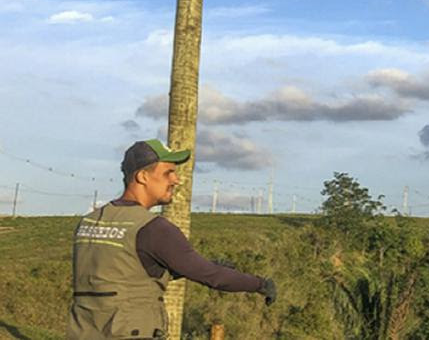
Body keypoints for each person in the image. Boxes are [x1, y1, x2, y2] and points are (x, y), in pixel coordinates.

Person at [68, 139, 276, 339]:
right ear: (142, 177)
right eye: (168, 173)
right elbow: (213, 277)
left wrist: (194, 267)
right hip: (130, 332)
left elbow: (126, 273)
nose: (176, 180)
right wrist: (259, 284)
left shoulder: (90, 221)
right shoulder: (154, 228)